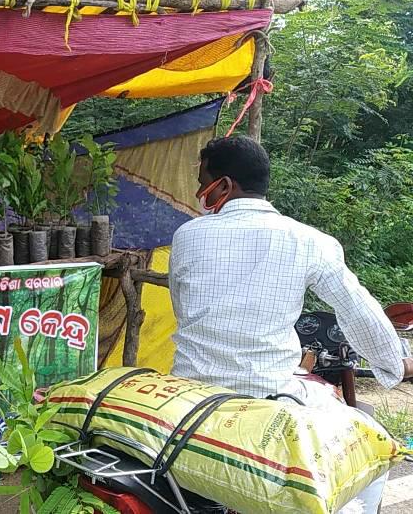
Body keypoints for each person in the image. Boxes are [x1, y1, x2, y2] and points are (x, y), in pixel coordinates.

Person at [168, 135, 413, 513]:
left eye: (203, 182)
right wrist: (397, 362)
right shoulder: (310, 241)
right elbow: (358, 310)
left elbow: (183, 309)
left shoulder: (187, 235)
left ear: (225, 186)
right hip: (267, 398)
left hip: (190, 398)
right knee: (374, 446)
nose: (201, 192)